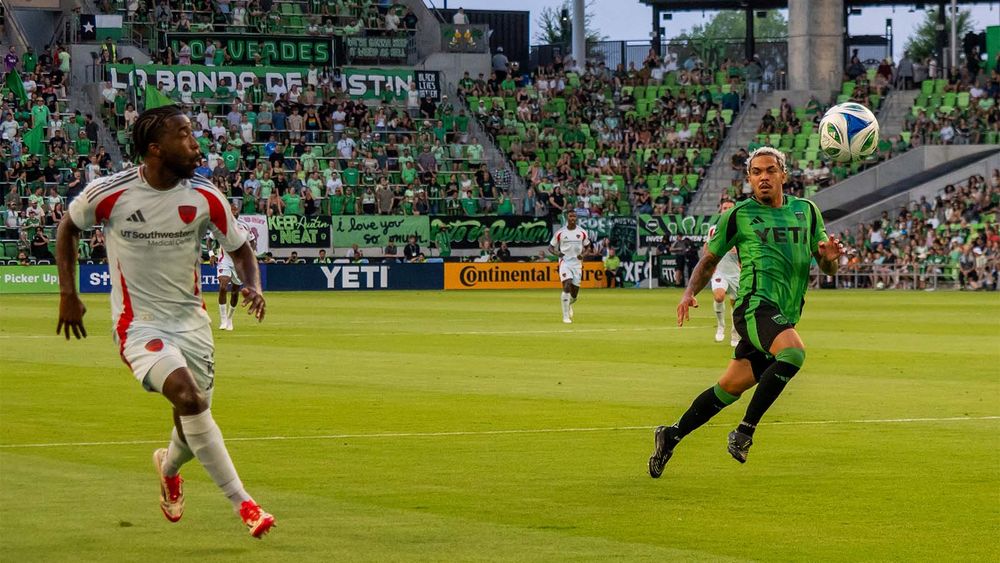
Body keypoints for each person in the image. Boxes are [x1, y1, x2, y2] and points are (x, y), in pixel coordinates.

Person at [55, 106, 276, 537]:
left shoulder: (205, 195)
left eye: (193, 133)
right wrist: (68, 293)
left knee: (191, 413)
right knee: (189, 399)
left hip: (192, 324)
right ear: (155, 148)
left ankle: (169, 467)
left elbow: (241, 248)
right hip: (139, 325)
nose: (195, 143)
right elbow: (68, 227)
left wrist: (255, 285)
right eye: (184, 135)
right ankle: (245, 504)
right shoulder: (111, 192)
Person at [648, 146, 843, 477]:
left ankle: (671, 435)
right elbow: (709, 259)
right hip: (754, 305)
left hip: (785, 312)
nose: (763, 177)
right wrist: (689, 292)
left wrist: (829, 256)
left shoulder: (807, 212)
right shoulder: (738, 215)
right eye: (756, 172)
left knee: (728, 388)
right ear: (749, 179)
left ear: (784, 174)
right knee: (793, 354)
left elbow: (829, 269)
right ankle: (744, 431)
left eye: (770, 170)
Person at [215, 203, 257, 331]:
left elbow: (252, 241)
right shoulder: (221, 225)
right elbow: (210, 239)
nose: (234, 211)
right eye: (232, 210)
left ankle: (229, 318)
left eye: (236, 209)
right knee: (223, 286)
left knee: (235, 291)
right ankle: (222, 320)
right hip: (225, 260)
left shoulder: (244, 226)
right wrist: (211, 254)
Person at [706, 200, 740, 345]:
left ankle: (735, 334)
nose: (726, 210)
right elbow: (707, 248)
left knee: (736, 304)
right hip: (720, 271)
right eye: (724, 208)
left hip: (737, 273)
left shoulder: (741, 229)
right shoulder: (713, 230)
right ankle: (720, 326)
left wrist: (737, 251)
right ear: (720, 210)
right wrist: (708, 265)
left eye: (729, 208)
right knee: (719, 297)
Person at [548, 209, 591, 323]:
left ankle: (569, 304)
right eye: (570, 216)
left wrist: (583, 255)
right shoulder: (560, 233)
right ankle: (565, 316)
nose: (572, 218)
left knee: (574, 295)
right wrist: (558, 253)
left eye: (574, 216)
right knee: (567, 285)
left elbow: (588, 247)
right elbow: (550, 247)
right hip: (565, 262)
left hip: (577, 264)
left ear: (576, 218)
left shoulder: (582, 232)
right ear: (567, 218)